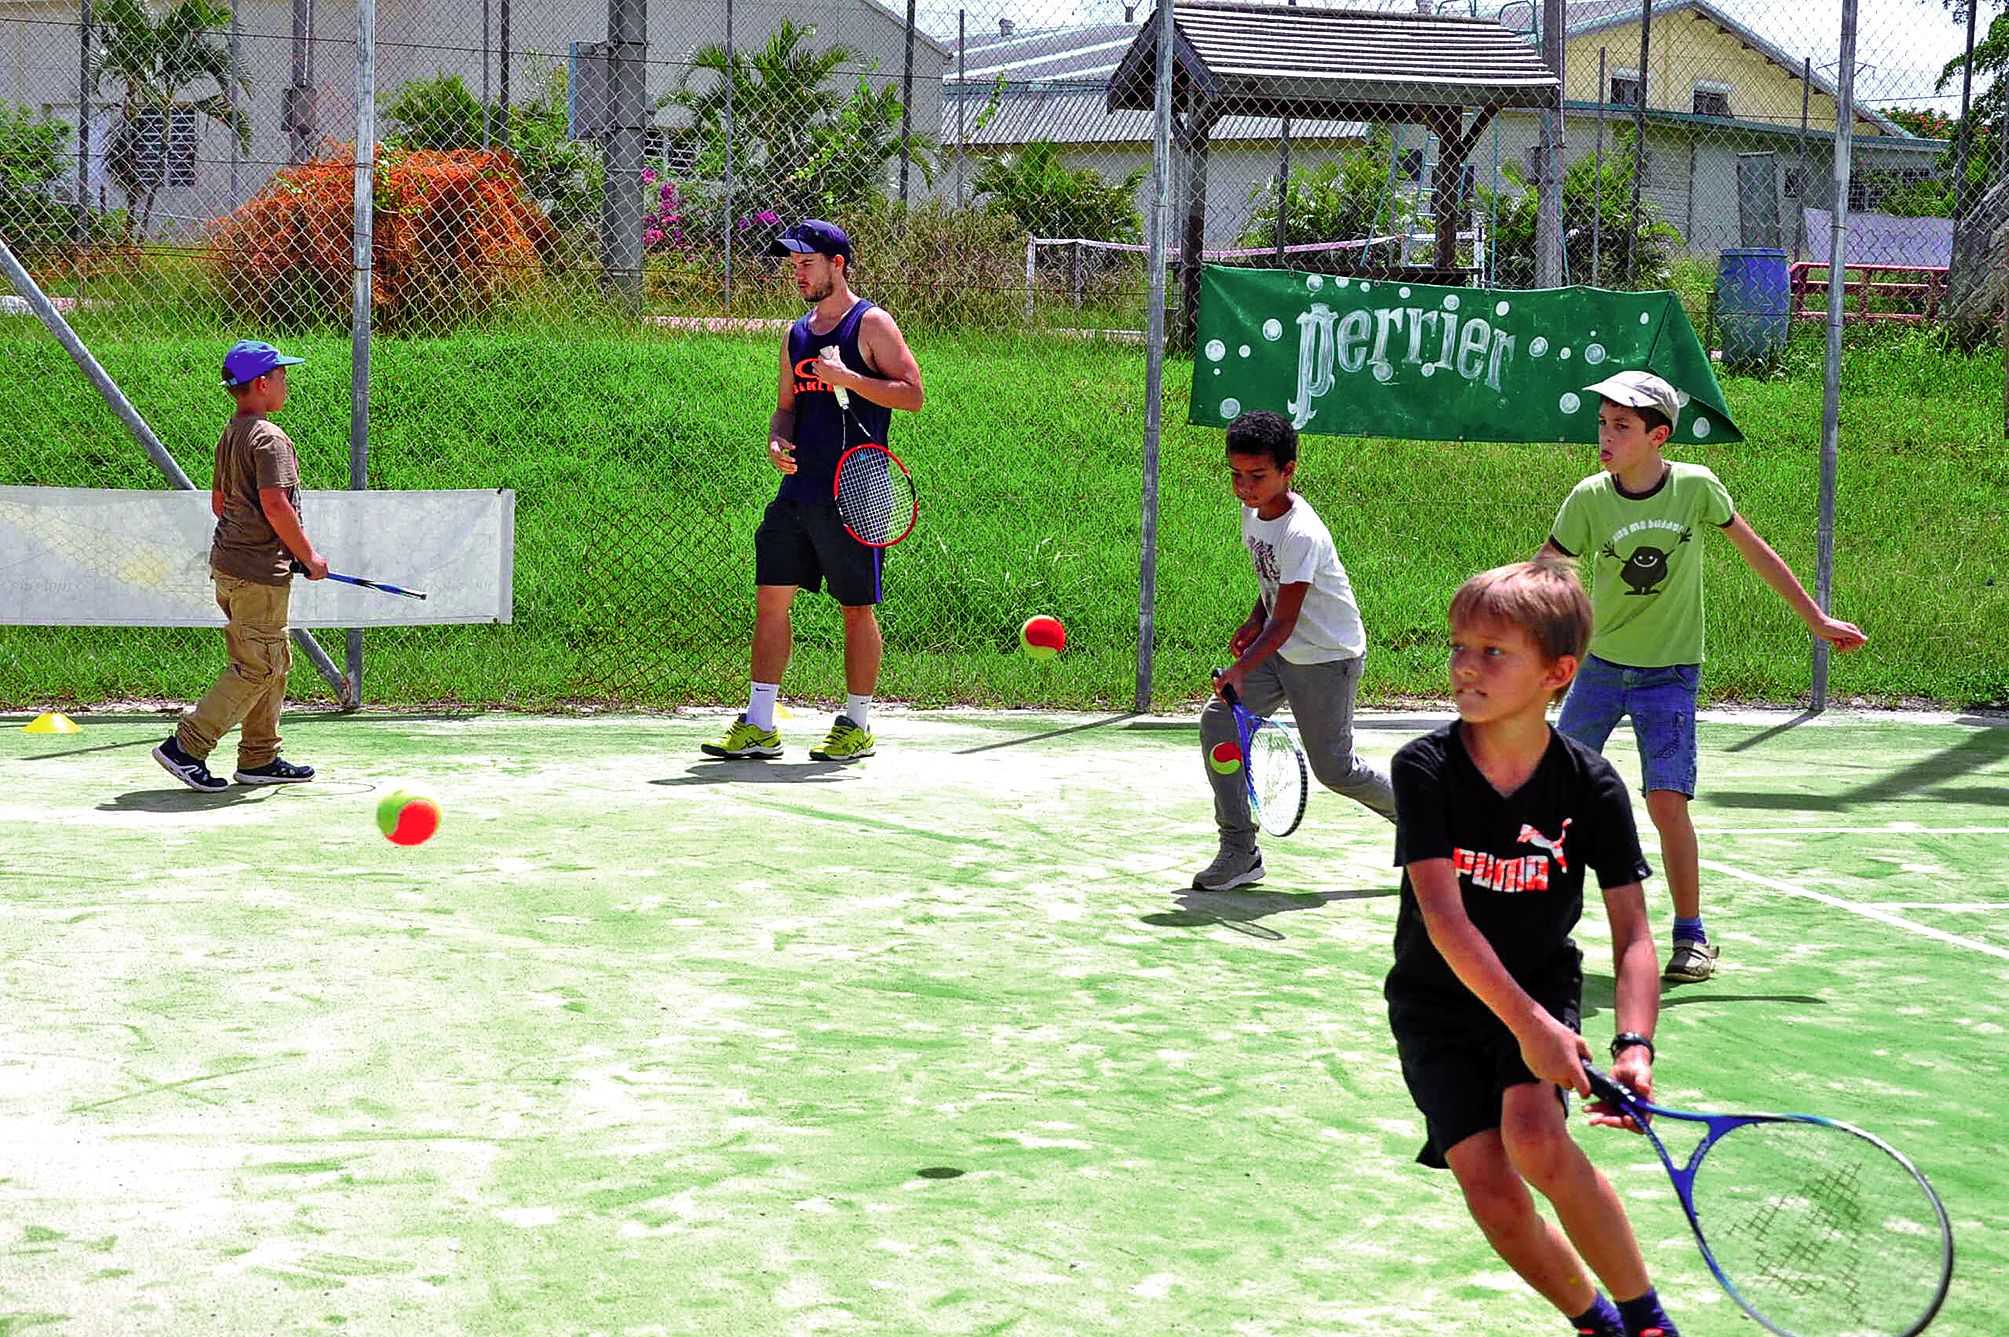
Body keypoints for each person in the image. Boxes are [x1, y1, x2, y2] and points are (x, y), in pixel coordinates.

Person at [1387, 560, 1679, 1337]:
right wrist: (1530, 1027)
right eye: (1458, 646)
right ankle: (1596, 1322)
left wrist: (1633, 1044)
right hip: (1436, 1001)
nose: (1463, 666)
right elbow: (1445, 923)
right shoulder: (1423, 768)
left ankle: (1647, 1321)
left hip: (1540, 984)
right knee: (1488, 1185)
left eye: (1492, 651)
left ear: (1557, 673)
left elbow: (1633, 936)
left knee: (1535, 1138)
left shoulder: (1590, 784)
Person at [1538, 370, 1868, 982]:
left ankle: (1692, 936)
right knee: (1558, 796)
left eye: (1622, 427)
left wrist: (1815, 618)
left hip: (1670, 675)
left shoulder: (1695, 488)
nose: (1605, 437)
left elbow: (1754, 549)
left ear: (1658, 435)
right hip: (1601, 671)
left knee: (1667, 803)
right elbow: (1548, 572)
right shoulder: (1588, 497)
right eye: (1602, 424)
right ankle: (1535, 926)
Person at [703, 219, 924, 763]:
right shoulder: (795, 334)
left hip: (856, 489)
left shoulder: (870, 324)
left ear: (837, 264)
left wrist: (848, 378)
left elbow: (912, 394)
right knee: (771, 599)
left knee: (855, 608)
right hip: (797, 492)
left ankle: (856, 723)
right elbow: (787, 406)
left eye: (806, 263)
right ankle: (759, 724)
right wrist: (778, 439)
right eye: (794, 265)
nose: (797, 273)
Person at [1194, 409, 1395, 891]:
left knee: (1336, 770)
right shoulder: (1254, 512)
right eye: (1236, 475)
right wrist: (1252, 618)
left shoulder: (1301, 532)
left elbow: (1286, 621)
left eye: (1257, 476)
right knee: (1218, 721)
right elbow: (1274, 594)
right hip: (1282, 651)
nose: (1245, 486)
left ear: (1289, 470)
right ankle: (1240, 849)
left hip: (1327, 657)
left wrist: (1241, 667)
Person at [152, 339, 327, 793]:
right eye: (283, 378)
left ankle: (259, 757)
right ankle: (186, 747)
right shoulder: (270, 439)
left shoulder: (232, 433)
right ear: (263, 383)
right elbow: (275, 503)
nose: (286, 385)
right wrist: (307, 556)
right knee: (258, 666)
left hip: (231, 566)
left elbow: (219, 502)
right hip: (258, 574)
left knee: (271, 659)